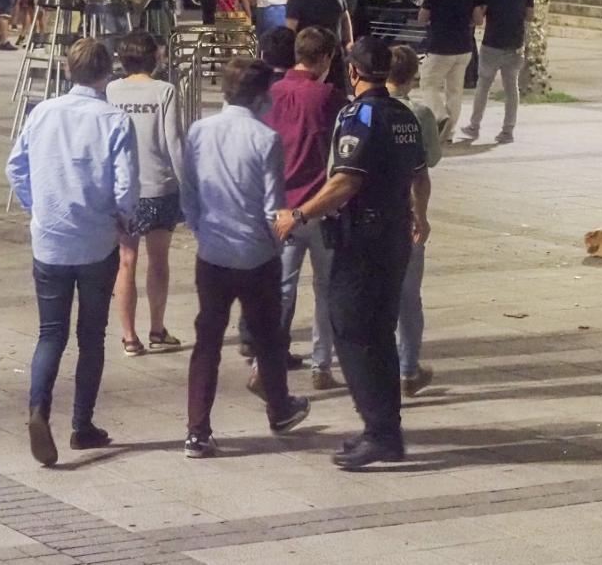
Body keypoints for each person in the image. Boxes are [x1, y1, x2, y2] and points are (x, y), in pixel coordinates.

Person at [274, 38, 430, 469]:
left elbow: (346, 180)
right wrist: (420, 214)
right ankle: (384, 431)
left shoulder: (358, 114)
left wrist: (298, 214)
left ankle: (380, 433)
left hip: (363, 238)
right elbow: (421, 175)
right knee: (378, 333)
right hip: (394, 233)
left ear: (354, 71)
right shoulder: (404, 115)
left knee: (352, 331)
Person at [5, 39, 140, 466]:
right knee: (91, 336)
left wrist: (36, 205)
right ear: (108, 74)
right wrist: (125, 218)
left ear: (68, 70)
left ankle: (38, 409)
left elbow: (15, 167)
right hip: (97, 242)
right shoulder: (115, 121)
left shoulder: (42, 113)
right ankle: (82, 425)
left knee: (50, 333)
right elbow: (126, 185)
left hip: (50, 240)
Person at [180, 57, 312, 459]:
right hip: (256, 253)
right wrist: (276, 243)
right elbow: (275, 205)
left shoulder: (199, 131)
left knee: (208, 342)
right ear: (259, 95)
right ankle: (279, 406)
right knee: (268, 338)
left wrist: (202, 230)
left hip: (214, 252)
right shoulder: (265, 138)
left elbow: (189, 193)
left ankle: (197, 430)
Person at [240, 26, 345, 388]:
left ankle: (264, 362)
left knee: (280, 291)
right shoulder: (328, 96)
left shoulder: (269, 94)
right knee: (325, 289)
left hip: (279, 208)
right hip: (318, 206)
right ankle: (321, 366)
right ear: (326, 57)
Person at [106, 33, 185, 355]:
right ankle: (156, 327)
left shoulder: (111, 90)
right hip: (159, 186)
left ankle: (128, 336)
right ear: (154, 57)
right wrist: (188, 187)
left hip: (123, 188)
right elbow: (174, 143)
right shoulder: (164, 91)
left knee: (126, 261)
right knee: (159, 261)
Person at [387, 45, 442, 396]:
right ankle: (408, 369)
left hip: (369, 217)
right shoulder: (419, 113)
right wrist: (420, 214)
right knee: (408, 296)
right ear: (413, 76)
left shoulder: (358, 109)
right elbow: (429, 163)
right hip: (406, 213)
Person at [463, 0, 533, 144]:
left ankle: (474, 126)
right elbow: (530, 15)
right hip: (515, 43)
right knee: (512, 88)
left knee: (483, 85)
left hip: (492, 41)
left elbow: (480, 13)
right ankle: (507, 130)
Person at [419, 0, 483, 142]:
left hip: (440, 47)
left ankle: (441, 116)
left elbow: (422, 17)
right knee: (454, 90)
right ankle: (449, 131)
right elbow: (479, 20)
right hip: (463, 47)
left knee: (428, 84)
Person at [287, 0, 353, 93]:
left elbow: (344, 15)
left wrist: (349, 42)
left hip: (335, 54)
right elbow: (291, 26)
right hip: (312, 57)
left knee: (339, 94)